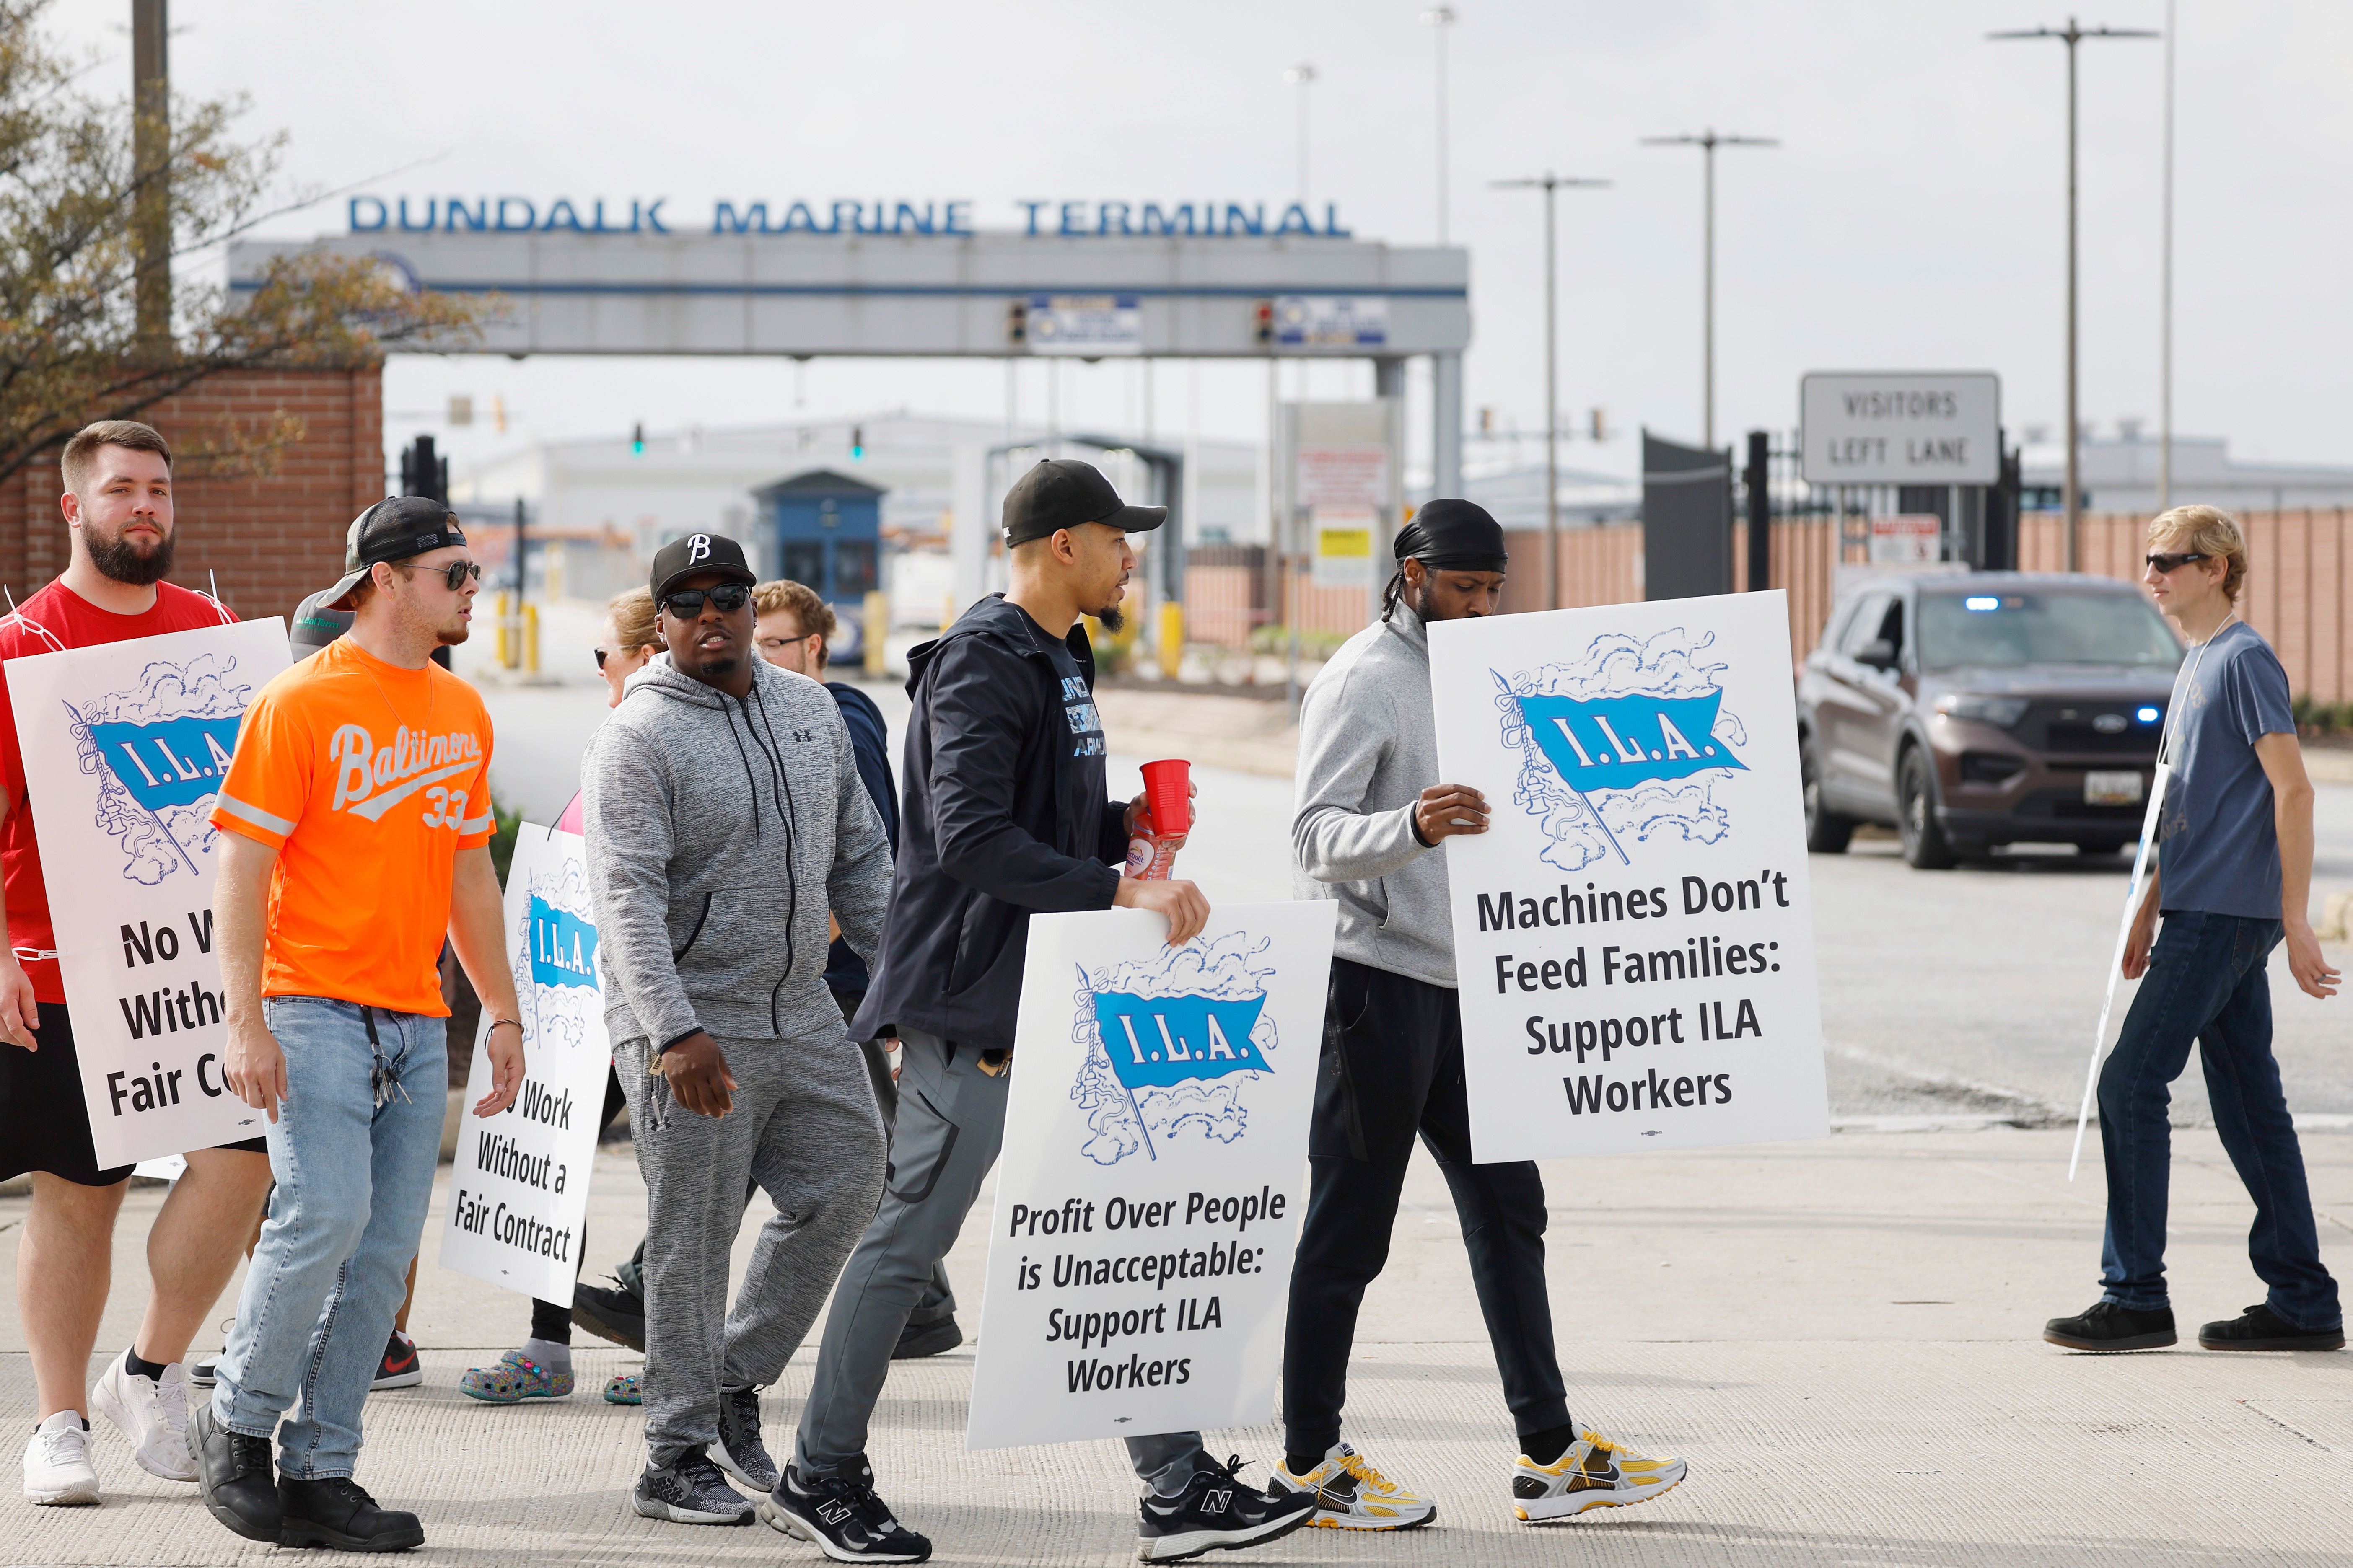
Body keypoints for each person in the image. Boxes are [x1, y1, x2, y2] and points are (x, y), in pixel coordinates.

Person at [779, 459, 1316, 1565]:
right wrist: (1121, 887)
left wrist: (1128, 822)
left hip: (1046, 991)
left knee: (1100, 1225)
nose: (1135, 556)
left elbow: (1042, 813)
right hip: (972, 1000)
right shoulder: (983, 659)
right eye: (1120, 537)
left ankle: (1173, 1482)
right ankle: (820, 1468)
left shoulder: (1059, 653)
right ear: (1061, 542)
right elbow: (965, 832)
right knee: (908, 1239)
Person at [1279, 498, 1689, 1528]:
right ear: (1409, 575)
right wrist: (1410, 824)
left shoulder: (1496, 674)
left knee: (1511, 1210)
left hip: (1478, 990)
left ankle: (1550, 1454)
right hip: (1373, 985)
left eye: (1492, 587)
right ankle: (1307, 1460)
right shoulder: (1363, 679)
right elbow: (1311, 836)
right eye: (1462, 585)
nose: (1479, 602)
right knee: (1349, 1230)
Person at [189, 495, 526, 1552]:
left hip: (415, 1020)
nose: (474, 590)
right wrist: (244, 1018)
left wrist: (503, 1010)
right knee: (321, 1217)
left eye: (474, 573)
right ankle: (236, 1424)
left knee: (383, 1257)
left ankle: (324, 1467)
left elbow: (470, 870)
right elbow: (239, 863)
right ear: (385, 577)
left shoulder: (458, 711)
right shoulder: (302, 701)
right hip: (310, 1004)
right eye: (455, 573)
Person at [582, 533, 896, 1528]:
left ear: (752, 604)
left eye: (727, 595)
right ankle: (673, 1454)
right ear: (662, 620)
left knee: (851, 1179)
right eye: (687, 600)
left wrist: (899, 992)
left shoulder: (811, 710)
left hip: (801, 1005)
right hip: (686, 1019)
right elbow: (624, 895)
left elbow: (862, 858)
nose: (710, 613)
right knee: (693, 1237)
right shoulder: (636, 735)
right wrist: (674, 1033)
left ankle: (730, 1379)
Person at [2, 421, 278, 1506]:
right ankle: (58, 1419)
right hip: (66, 974)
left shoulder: (212, 628)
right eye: (121, 490)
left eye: (159, 489)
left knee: (243, 1165)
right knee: (80, 1193)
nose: (145, 507)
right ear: (75, 509)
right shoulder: (24, 641)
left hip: (204, 974)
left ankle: (147, 1370)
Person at [2045, 505, 2345, 1353]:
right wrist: (2145, 907)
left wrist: (2294, 919)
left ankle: (2134, 1294)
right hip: (2195, 907)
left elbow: (2293, 791)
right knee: (2251, 1106)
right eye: (2146, 558)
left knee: (2127, 1084)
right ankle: (2302, 1301)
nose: (2151, 573)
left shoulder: (2243, 660)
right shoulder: (2196, 662)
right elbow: (2179, 808)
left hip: (2223, 915)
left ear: (2216, 567)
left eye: (2169, 560)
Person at [457, 586, 663, 1407]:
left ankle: (678, 1358)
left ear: (645, 655)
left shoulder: (659, 737)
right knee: (555, 1164)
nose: (598, 669)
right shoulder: (618, 731)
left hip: (648, 1004)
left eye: (602, 652)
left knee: (678, 1179)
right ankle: (548, 1345)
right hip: (579, 991)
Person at [750, 576, 958, 1358]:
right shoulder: (781, 718)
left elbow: (859, 859)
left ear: (815, 648)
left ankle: (919, 1300)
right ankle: (923, 1300)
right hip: (819, 979)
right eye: (754, 642)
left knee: (855, 1148)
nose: (761, 656)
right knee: (867, 1145)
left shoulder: (838, 721)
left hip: (831, 982)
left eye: (776, 643)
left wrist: (802, 952)